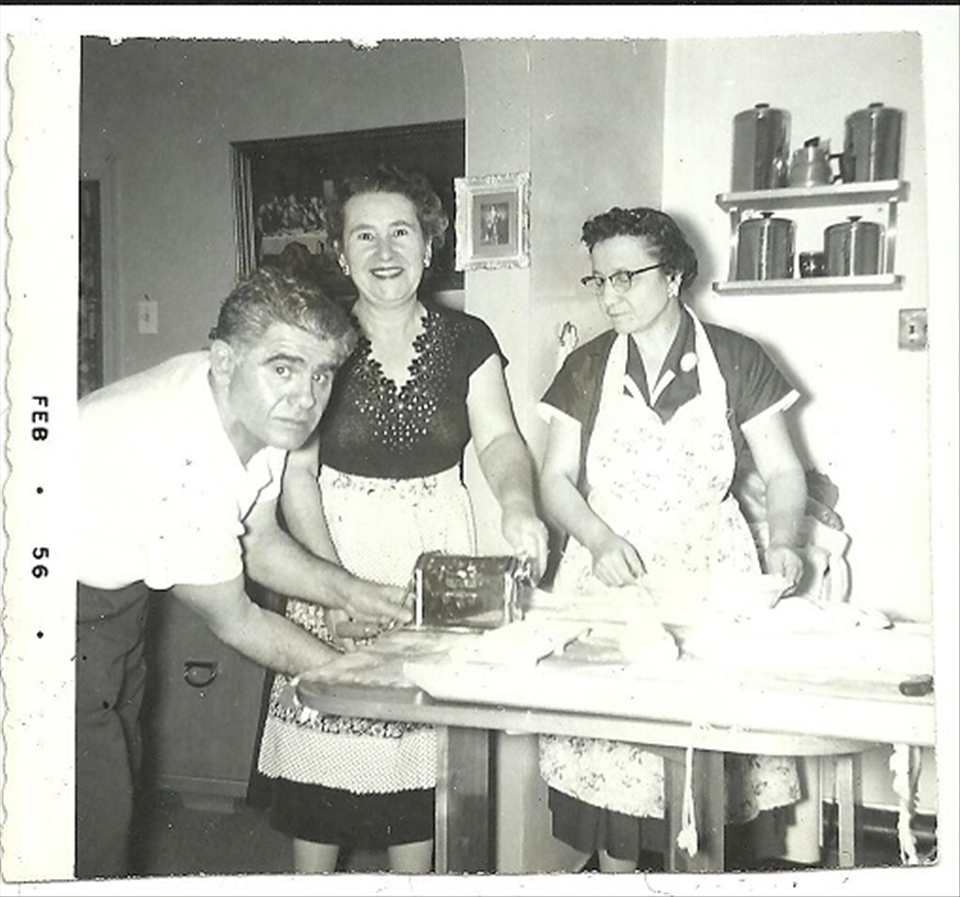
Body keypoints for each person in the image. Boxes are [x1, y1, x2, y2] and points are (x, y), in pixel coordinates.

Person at [256, 165, 549, 874]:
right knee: (326, 767)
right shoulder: (316, 340)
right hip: (337, 540)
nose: (385, 252)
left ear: (429, 244)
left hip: (433, 547)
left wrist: (517, 502)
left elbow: (501, 439)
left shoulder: (468, 337)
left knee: (420, 770)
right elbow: (298, 472)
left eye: (401, 232)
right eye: (365, 235)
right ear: (341, 252)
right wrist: (333, 586)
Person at [75, 267, 412, 880]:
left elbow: (258, 543)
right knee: (86, 824)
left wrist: (356, 591)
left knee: (116, 782)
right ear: (225, 359)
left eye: (320, 374)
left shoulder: (266, 416)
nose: (305, 396)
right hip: (45, 604)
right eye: (283, 368)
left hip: (113, 601)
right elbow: (237, 619)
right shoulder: (183, 450)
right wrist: (357, 678)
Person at [535, 206, 808, 872]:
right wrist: (597, 538)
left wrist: (786, 537)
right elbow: (556, 480)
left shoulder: (738, 359)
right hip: (611, 574)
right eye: (599, 280)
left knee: (703, 774)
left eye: (626, 276)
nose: (610, 295)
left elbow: (782, 469)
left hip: (708, 573)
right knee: (614, 781)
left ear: (677, 274)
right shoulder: (587, 365)